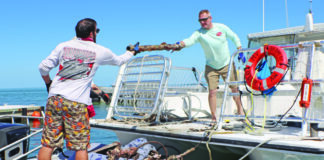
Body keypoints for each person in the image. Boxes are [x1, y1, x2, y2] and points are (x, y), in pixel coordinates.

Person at [38, 18, 138, 160]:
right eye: (96, 31)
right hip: (76, 102)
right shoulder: (100, 50)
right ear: (91, 33)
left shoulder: (63, 46)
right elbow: (120, 60)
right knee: (81, 146)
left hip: (55, 99)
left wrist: (48, 84)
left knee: (48, 144)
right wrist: (131, 52)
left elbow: (42, 68)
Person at [174, 9, 243, 121]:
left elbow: (234, 36)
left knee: (234, 89)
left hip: (227, 64)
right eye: (200, 20)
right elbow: (190, 40)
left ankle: (240, 111)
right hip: (211, 66)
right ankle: (214, 118)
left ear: (210, 18)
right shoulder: (199, 33)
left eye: (205, 19)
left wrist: (239, 49)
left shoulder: (221, 27)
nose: (203, 22)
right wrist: (180, 44)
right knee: (212, 92)